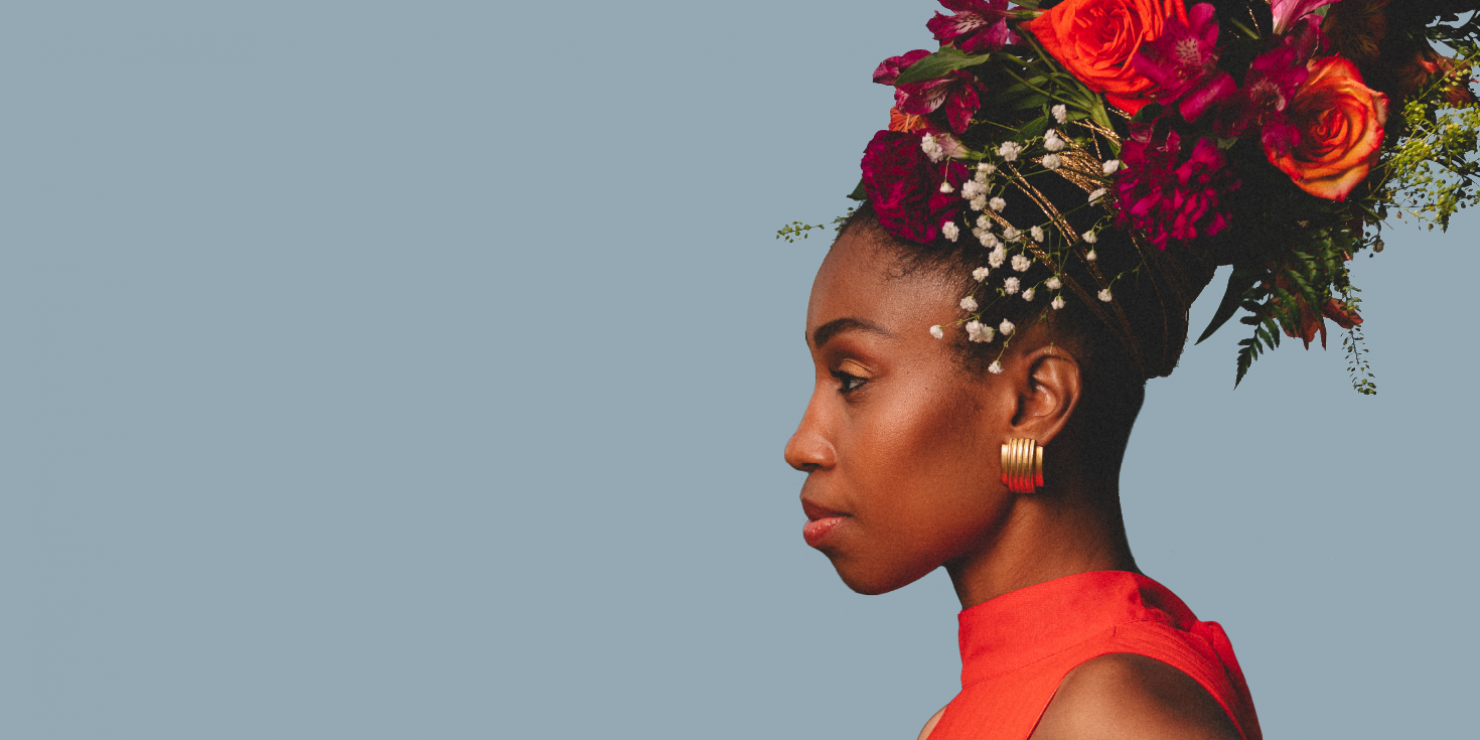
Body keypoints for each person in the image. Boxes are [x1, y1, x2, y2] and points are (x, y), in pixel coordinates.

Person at [782, 0, 1478, 737]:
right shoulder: (996, 708)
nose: (802, 443)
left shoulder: (1116, 712)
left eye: (852, 378)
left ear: (1034, 399)